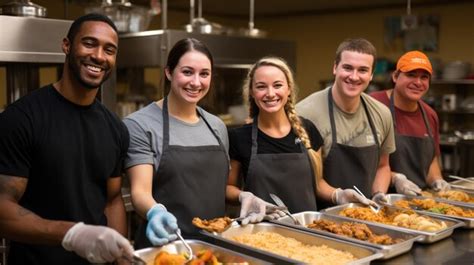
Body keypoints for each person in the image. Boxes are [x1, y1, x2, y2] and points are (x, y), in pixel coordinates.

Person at [0, 13, 133, 265]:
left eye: (109, 49)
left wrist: (121, 258)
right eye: (90, 43)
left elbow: (112, 199)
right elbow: (2, 209)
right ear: (67, 45)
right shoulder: (22, 118)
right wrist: (71, 234)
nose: (99, 56)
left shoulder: (115, 128)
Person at [125, 38, 245, 248]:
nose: (196, 82)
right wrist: (155, 212)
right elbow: (140, 192)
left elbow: (214, 188)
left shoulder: (216, 126)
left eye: (204, 74)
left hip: (215, 247)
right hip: (165, 246)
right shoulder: (140, 125)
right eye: (187, 72)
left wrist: (244, 197)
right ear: (169, 72)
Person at [226, 56, 376, 216]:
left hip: (306, 231)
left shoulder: (308, 129)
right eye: (261, 87)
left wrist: (339, 195)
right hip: (260, 233)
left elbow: (317, 184)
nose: (270, 93)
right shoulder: (239, 137)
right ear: (251, 92)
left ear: (288, 89)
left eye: (277, 85)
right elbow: (228, 188)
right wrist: (243, 196)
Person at [297, 38, 396, 205]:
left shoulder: (381, 114)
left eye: (363, 70)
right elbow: (302, 177)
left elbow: (383, 166)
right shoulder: (305, 114)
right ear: (335, 68)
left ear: (371, 75)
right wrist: (338, 196)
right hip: (318, 218)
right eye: (347, 68)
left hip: (365, 214)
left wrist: (378, 193)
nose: (354, 76)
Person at [370, 51, 450, 195]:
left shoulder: (430, 115)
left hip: (417, 201)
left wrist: (437, 181)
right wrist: (396, 178)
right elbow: (361, 160)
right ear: (395, 76)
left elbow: (431, 161)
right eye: (411, 75)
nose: (418, 82)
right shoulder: (373, 105)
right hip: (377, 198)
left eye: (424, 77)